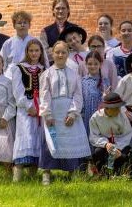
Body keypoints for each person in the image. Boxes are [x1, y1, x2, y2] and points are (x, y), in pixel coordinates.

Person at [39, 41, 91, 186]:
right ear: (52, 54)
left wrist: (73, 113)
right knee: (51, 141)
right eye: (57, 52)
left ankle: (73, 172)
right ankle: (46, 173)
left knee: (71, 141)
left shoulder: (74, 74)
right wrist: (47, 114)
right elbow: (44, 95)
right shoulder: (47, 74)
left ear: (68, 54)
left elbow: (78, 94)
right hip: (54, 112)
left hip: (69, 112)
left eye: (63, 52)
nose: (60, 55)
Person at [11, 39, 46, 182]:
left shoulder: (44, 69)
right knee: (25, 136)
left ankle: (33, 176)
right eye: (31, 50)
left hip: (41, 106)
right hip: (25, 107)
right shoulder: (19, 68)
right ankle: (17, 177)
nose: (34, 53)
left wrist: (42, 107)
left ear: (41, 52)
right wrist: (28, 106)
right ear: (27, 51)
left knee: (38, 137)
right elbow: (17, 91)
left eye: (37, 50)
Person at [89, 92, 132, 174]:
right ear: (107, 108)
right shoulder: (96, 117)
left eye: (119, 107)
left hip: (120, 145)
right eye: (115, 108)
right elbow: (94, 136)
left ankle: (119, 173)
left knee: (122, 156)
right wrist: (106, 144)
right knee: (98, 152)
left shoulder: (122, 116)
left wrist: (117, 148)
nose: (119, 110)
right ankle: (102, 173)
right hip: (104, 146)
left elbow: (127, 134)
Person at [0, 11, 49, 79]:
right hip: (11, 78)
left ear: (29, 25)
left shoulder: (36, 42)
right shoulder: (8, 43)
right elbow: (2, 63)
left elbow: (44, 61)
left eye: (25, 23)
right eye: (19, 23)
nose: (22, 25)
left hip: (32, 78)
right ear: (14, 25)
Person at [40, 0, 77, 65]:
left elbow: (78, 49)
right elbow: (45, 54)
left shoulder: (75, 29)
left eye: (63, 8)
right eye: (57, 8)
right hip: (52, 67)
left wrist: (54, 50)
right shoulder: (45, 31)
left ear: (68, 10)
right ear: (53, 10)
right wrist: (68, 49)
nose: (60, 11)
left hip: (72, 66)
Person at [81, 50, 111, 135]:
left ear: (100, 64)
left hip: (101, 117)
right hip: (86, 118)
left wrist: (105, 97)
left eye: (95, 64)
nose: (92, 66)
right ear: (86, 64)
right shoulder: (82, 81)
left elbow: (108, 102)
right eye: (90, 64)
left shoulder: (105, 81)